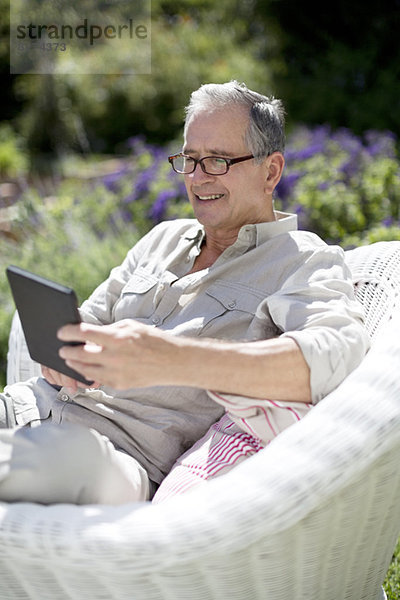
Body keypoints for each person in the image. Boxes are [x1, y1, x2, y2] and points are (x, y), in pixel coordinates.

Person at [0, 81, 369, 505]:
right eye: (190, 160)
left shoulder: (303, 261)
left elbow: (332, 357)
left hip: (113, 457)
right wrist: (66, 354)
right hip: (27, 409)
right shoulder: (163, 238)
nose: (196, 178)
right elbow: (87, 322)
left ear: (271, 171)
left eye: (216, 161)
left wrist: (174, 359)